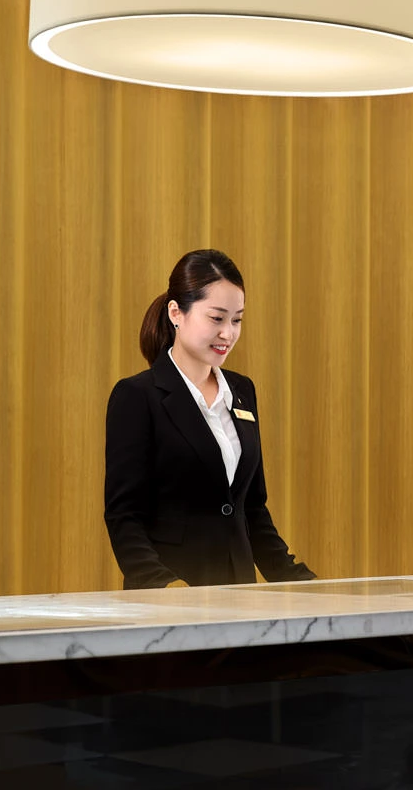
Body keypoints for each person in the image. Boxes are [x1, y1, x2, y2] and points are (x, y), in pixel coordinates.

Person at [104, 249, 315, 588]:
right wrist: (165, 587)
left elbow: (252, 509)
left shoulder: (242, 390)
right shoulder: (137, 396)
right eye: (216, 319)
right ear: (177, 313)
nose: (228, 334)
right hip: (171, 602)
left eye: (237, 320)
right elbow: (124, 516)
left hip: (239, 594)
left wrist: (299, 582)